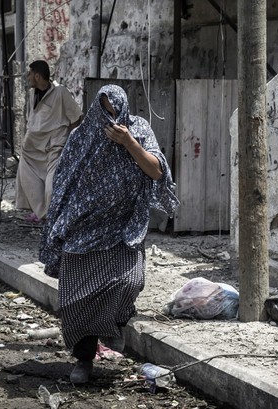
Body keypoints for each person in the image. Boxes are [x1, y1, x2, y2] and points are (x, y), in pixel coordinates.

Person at [39, 84, 179, 384]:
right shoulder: (81, 136)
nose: (111, 119)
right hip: (84, 227)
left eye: (116, 113)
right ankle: (84, 359)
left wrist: (128, 142)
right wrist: (58, 223)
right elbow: (64, 181)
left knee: (130, 281)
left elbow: (156, 171)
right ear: (96, 110)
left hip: (124, 226)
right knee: (76, 299)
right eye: (105, 113)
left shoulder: (138, 128)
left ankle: (111, 328)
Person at [14, 60, 83, 222]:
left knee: (51, 186)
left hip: (55, 146)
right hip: (32, 148)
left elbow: (77, 117)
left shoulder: (60, 92)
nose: (28, 77)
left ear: (37, 76)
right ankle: (40, 213)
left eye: (30, 74)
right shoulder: (32, 94)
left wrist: (71, 143)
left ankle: (53, 217)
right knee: (28, 179)